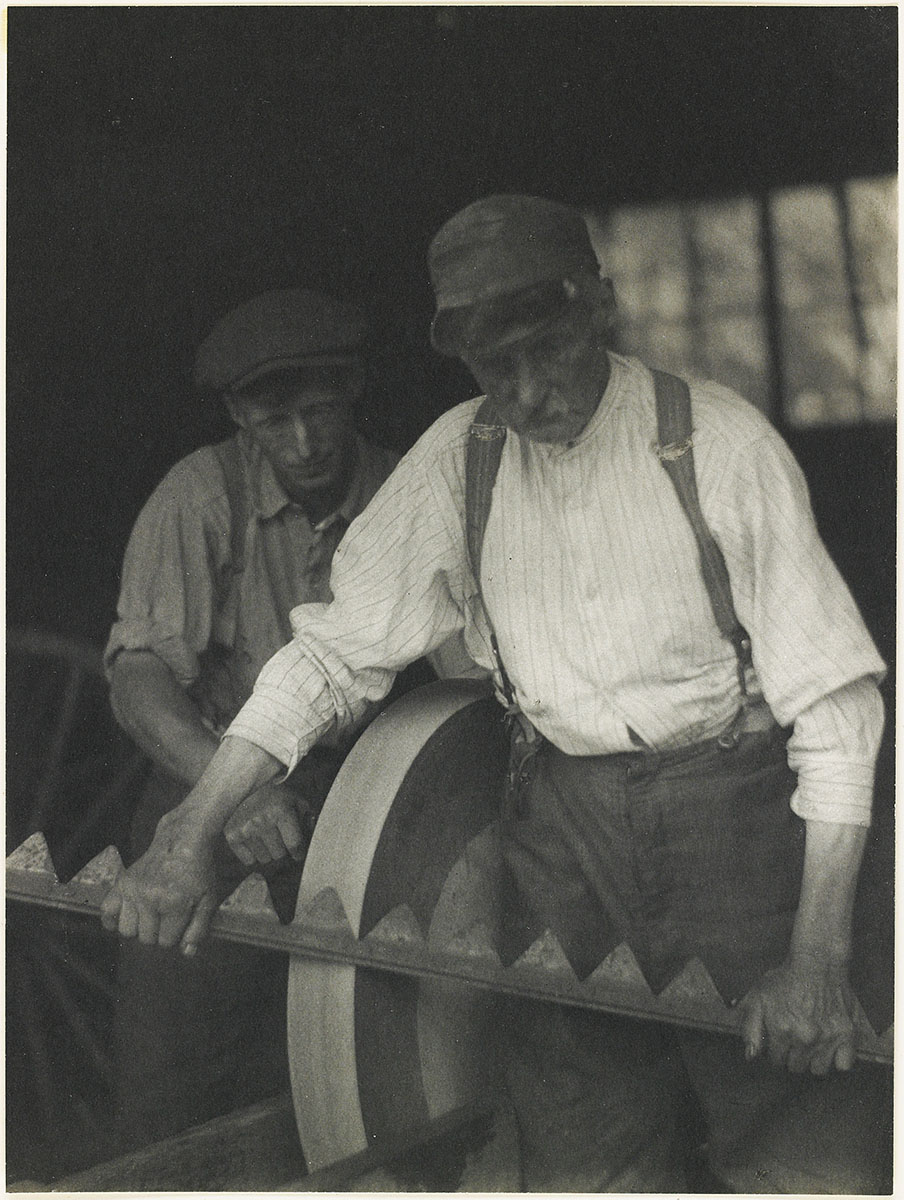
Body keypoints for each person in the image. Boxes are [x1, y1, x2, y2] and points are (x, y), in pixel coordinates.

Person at [101, 198, 887, 1190]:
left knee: (800, 1154)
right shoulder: (457, 458)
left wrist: (816, 956)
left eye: (545, 353)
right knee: (580, 1155)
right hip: (562, 842)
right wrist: (193, 830)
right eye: (491, 370)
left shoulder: (719, 448)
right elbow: (328, 656)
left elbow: (835, 706)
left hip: (734, 835)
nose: (525, 393)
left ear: (596, 308)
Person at [103, 286, 423, 1149]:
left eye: (321, 412)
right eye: (275, 423)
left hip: (362, 809)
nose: (306, 444)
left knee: (345, 1090)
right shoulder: (200, 497)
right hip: (199, 790)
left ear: (355, 388)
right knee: (175, 1093)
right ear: (238, 414)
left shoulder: (410, 493)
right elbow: (138, 684)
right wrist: (231, 796)